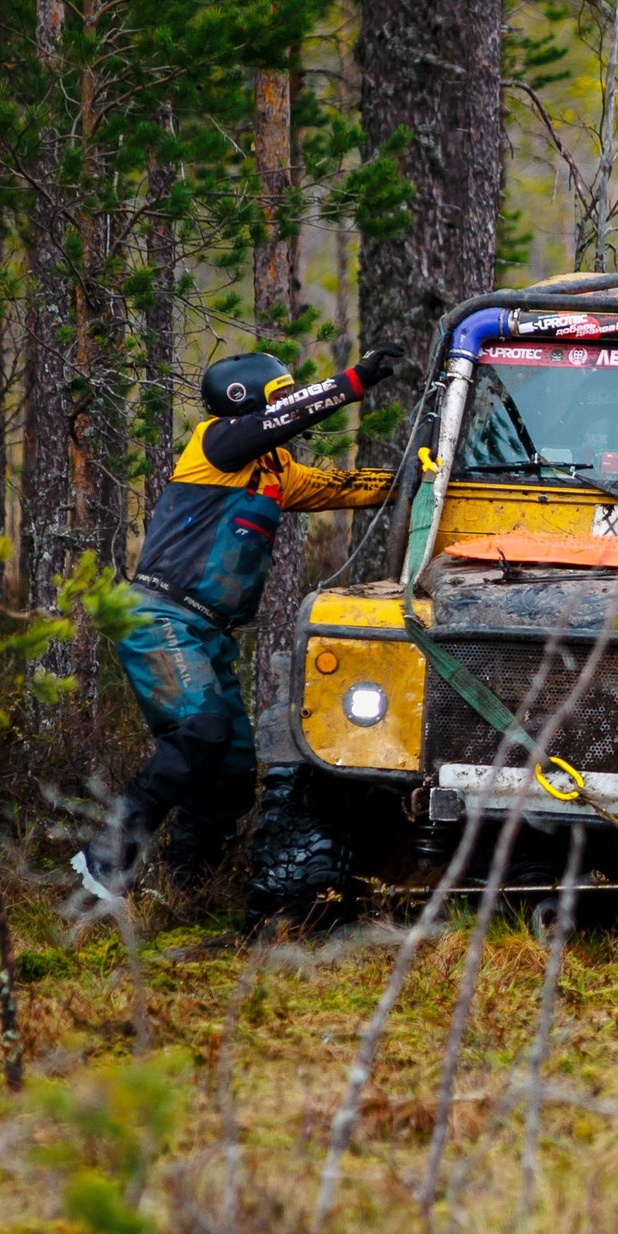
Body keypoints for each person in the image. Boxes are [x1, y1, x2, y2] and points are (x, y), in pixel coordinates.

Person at [72, 346, 402, 904]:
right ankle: (101, 863)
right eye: (279, 397)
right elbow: (283, 417)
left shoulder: (277, 471)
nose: (285, 409)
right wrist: (353, 381)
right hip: (160, 615)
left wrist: (418, 475)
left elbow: (346, 486)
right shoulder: (215, 445)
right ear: (246, 401)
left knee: (228, 773)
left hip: (208, 631)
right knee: (197, 735)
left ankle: (188, 892)